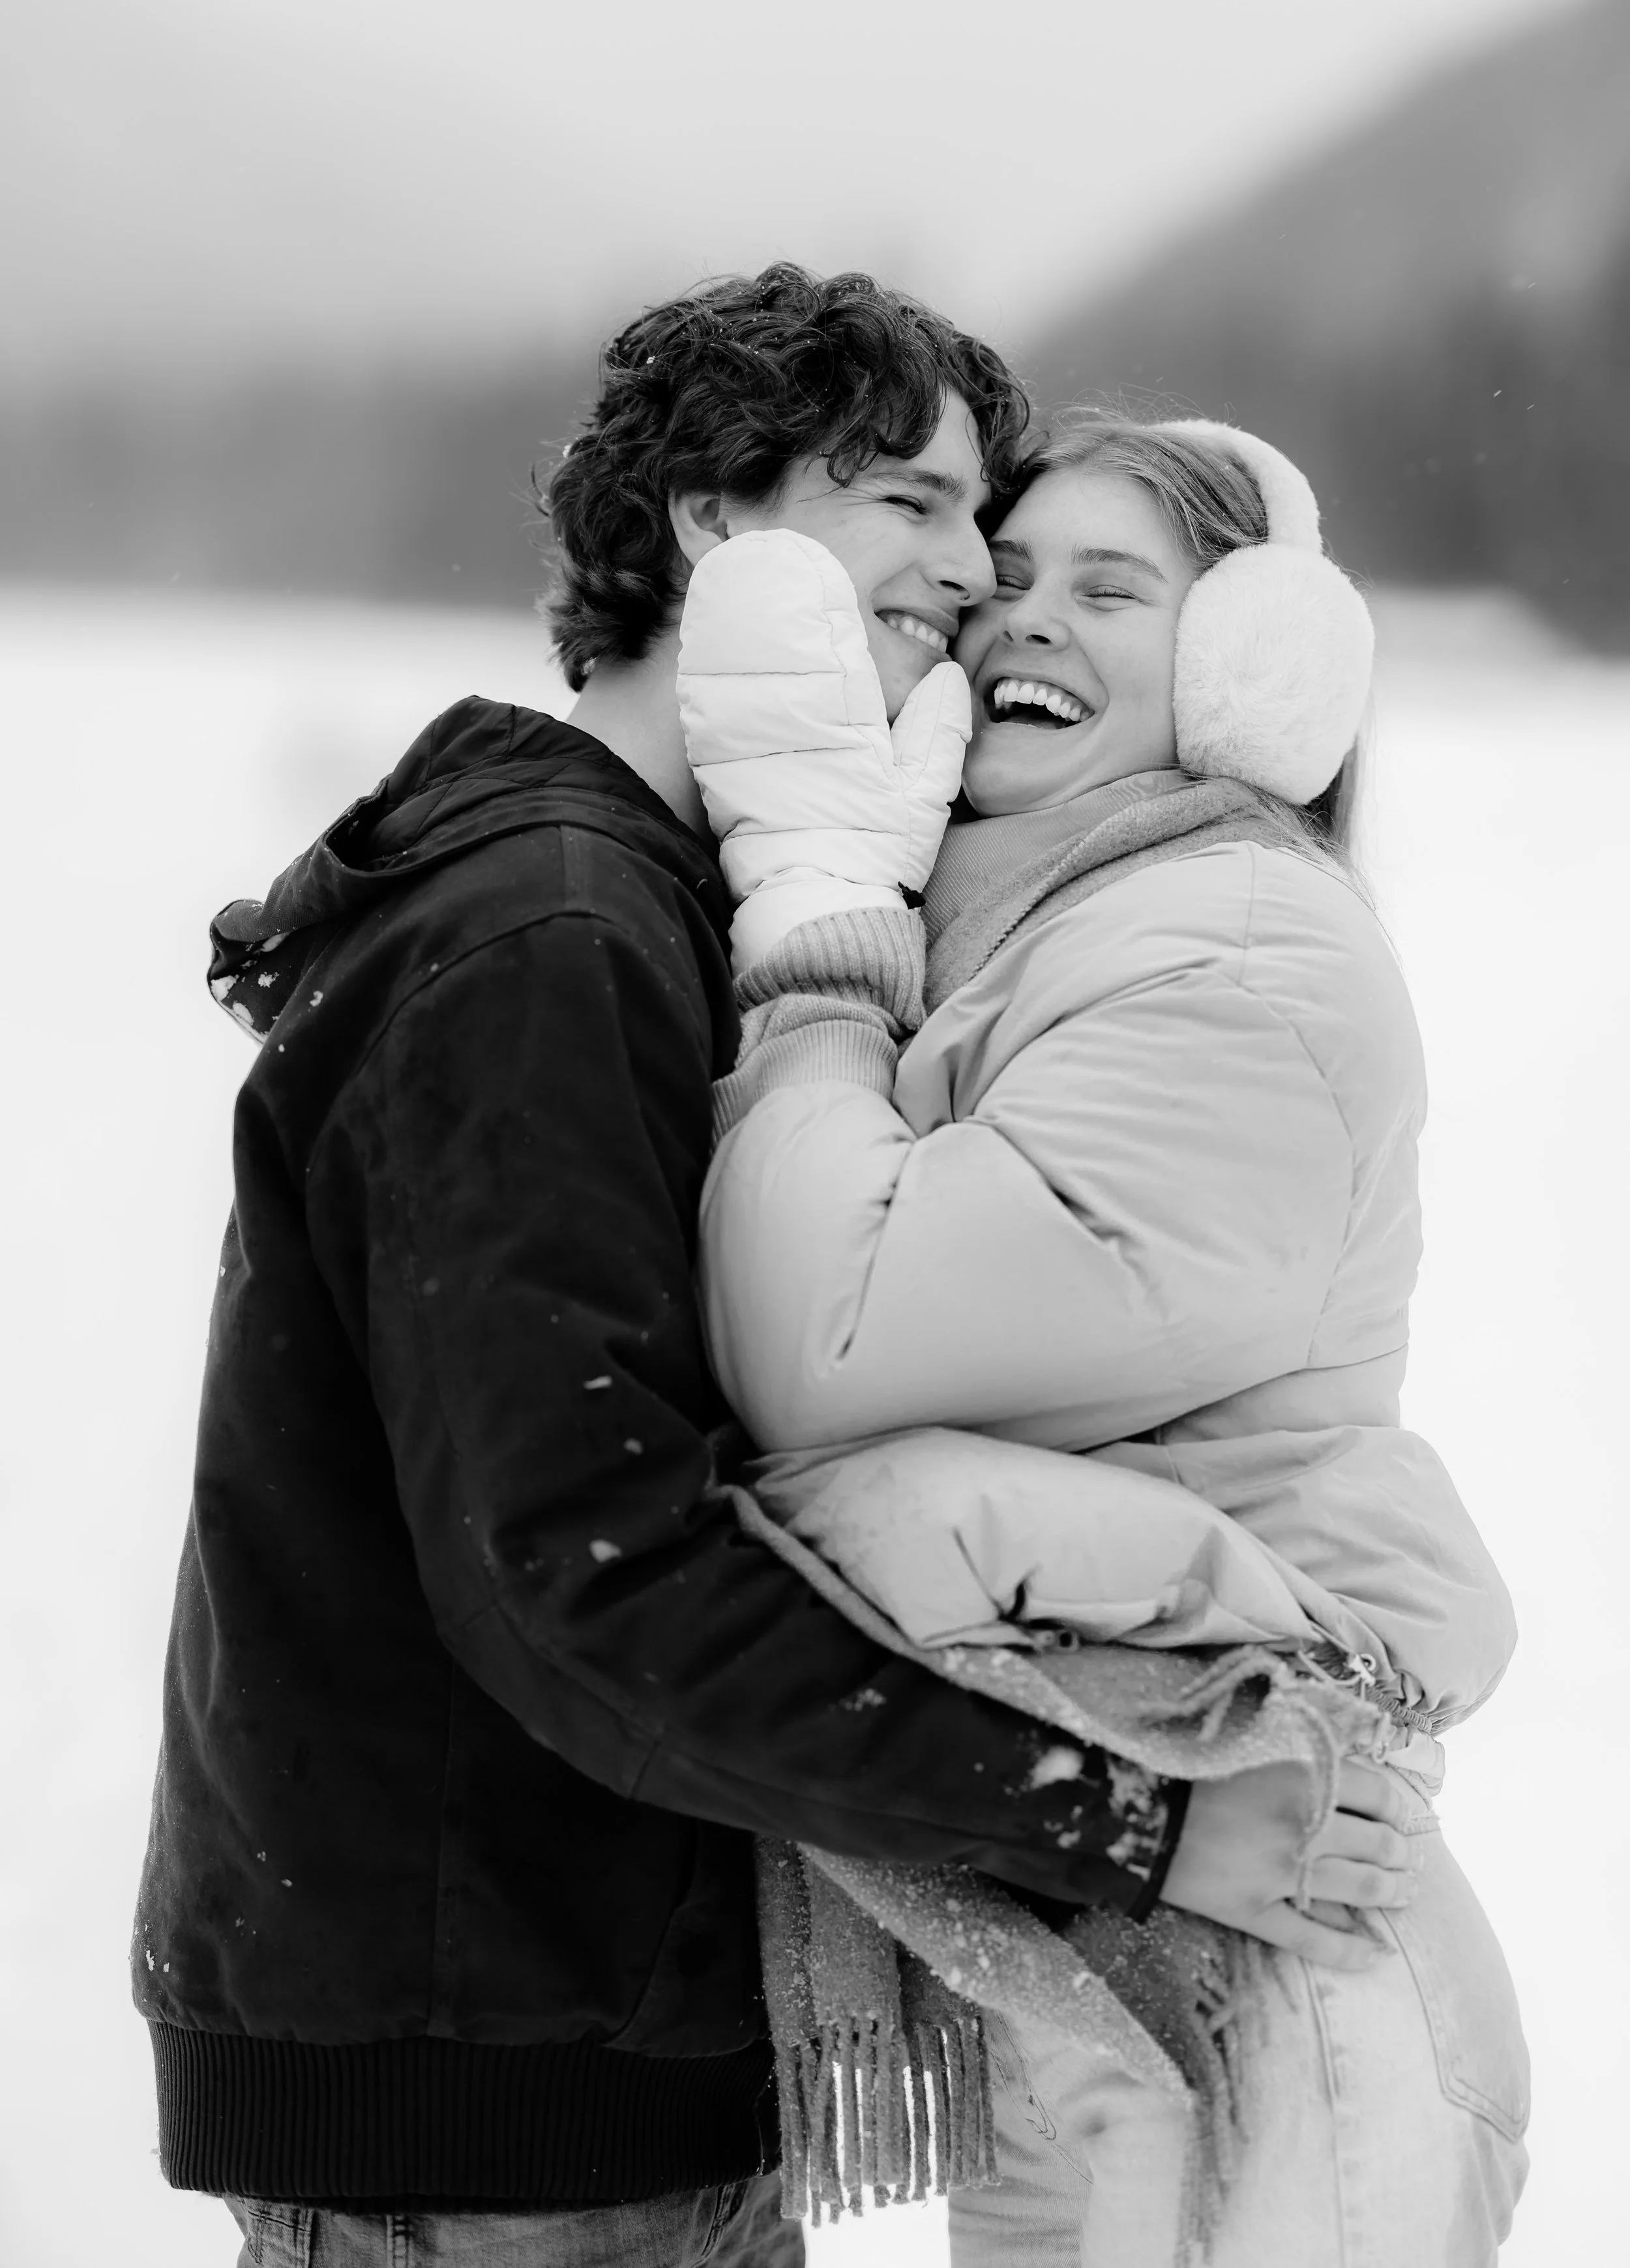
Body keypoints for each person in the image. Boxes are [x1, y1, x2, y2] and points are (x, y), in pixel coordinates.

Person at [130, 272, 1407, 2268]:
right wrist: (1122, 1816)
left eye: (974, 516)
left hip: (556, 2071)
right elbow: (584, 1570)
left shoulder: (645, 909)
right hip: (499, 2119)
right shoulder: (549, 934)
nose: (965, 573)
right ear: (712, 522)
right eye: (906, 499)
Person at [677, 413, 1531, 2263]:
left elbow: (824, 1341)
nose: (1022, 619)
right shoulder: (1049, 926)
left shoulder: (1233, 962)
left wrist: (819, 960)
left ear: (1247, 676)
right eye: (1008, 574)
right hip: (1136, 1893)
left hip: (1273, 1964)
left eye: (1110, 588)